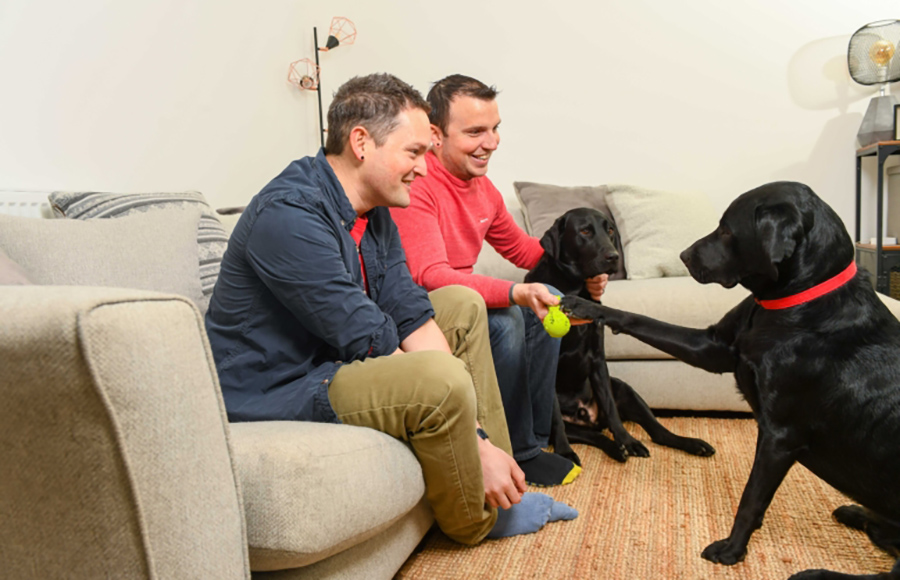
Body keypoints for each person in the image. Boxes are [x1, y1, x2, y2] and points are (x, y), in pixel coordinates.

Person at [205, 73, 576, 544]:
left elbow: (408, 309)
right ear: (362, 143)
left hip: (333, 361)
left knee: (459, 306)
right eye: (414, 152)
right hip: (279, 389)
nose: (424, 168)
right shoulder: (289, 215)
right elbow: (366, 336)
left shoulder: (374, 212)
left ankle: (503, 481)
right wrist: (474, 442)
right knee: (435, 378)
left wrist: (481, 437)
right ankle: (477, 518)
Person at [390, 75, 607, 487]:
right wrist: (515, 292)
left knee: (548, 302)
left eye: (495, 129)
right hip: (417, 311)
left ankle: (534, 441)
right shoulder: (418, 185)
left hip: (461, 301)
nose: (491, 143)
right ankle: (517, 451)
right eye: (475, 132)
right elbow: (430, 276)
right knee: (505, 321)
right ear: (435, 135)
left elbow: (527, 252)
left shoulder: (483, 190)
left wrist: (587, 270)